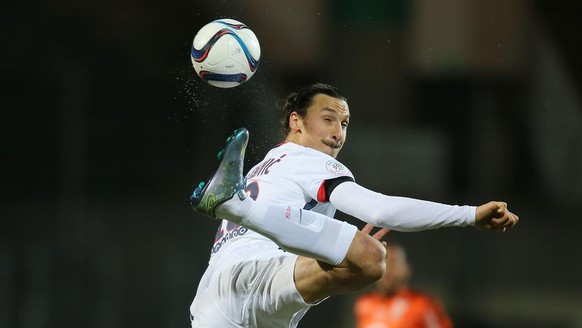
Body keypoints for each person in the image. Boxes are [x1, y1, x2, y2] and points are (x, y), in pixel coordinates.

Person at [188, 83, 519, 327]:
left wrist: (340, 250)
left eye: (344, 124)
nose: (337, 133)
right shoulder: (308, 159)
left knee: (359, 257)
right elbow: (381, 210)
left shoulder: (264, 165)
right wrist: (469, 215)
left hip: (211, 301)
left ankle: (237, 205)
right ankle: (238, 206)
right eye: (328, 119)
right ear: (295, 121)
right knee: (371, 258)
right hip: (258, 279)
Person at [354, 243, 453, 328]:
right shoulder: (364, 304)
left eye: (393, 263)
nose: (387, 269)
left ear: (406, 269)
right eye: (381, 262)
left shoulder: (423, 305)